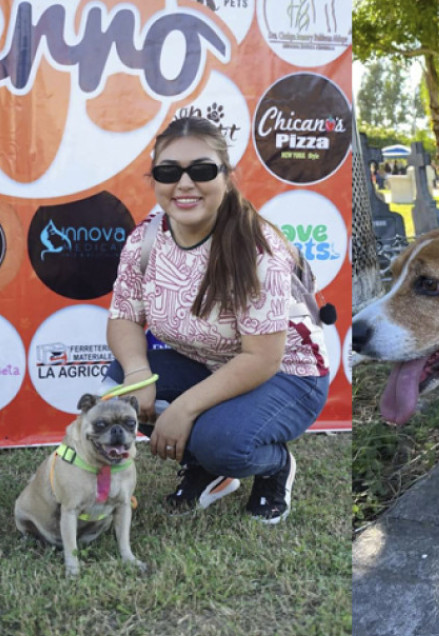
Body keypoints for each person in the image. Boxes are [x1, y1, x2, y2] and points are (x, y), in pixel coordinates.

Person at [105, 117, 329, 524]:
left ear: (226, 176)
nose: (184, 184)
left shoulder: (258, 249)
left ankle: (272, 465)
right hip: (213, 364)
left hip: (289, 375)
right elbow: (124, 317)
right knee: (121, 382)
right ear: (154, 178)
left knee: (222, 441)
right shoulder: (146, 238)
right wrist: (138, 373)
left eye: (202, 170)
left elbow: (261, 359)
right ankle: (209, 470)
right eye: (168, 172)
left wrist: (183, 409)